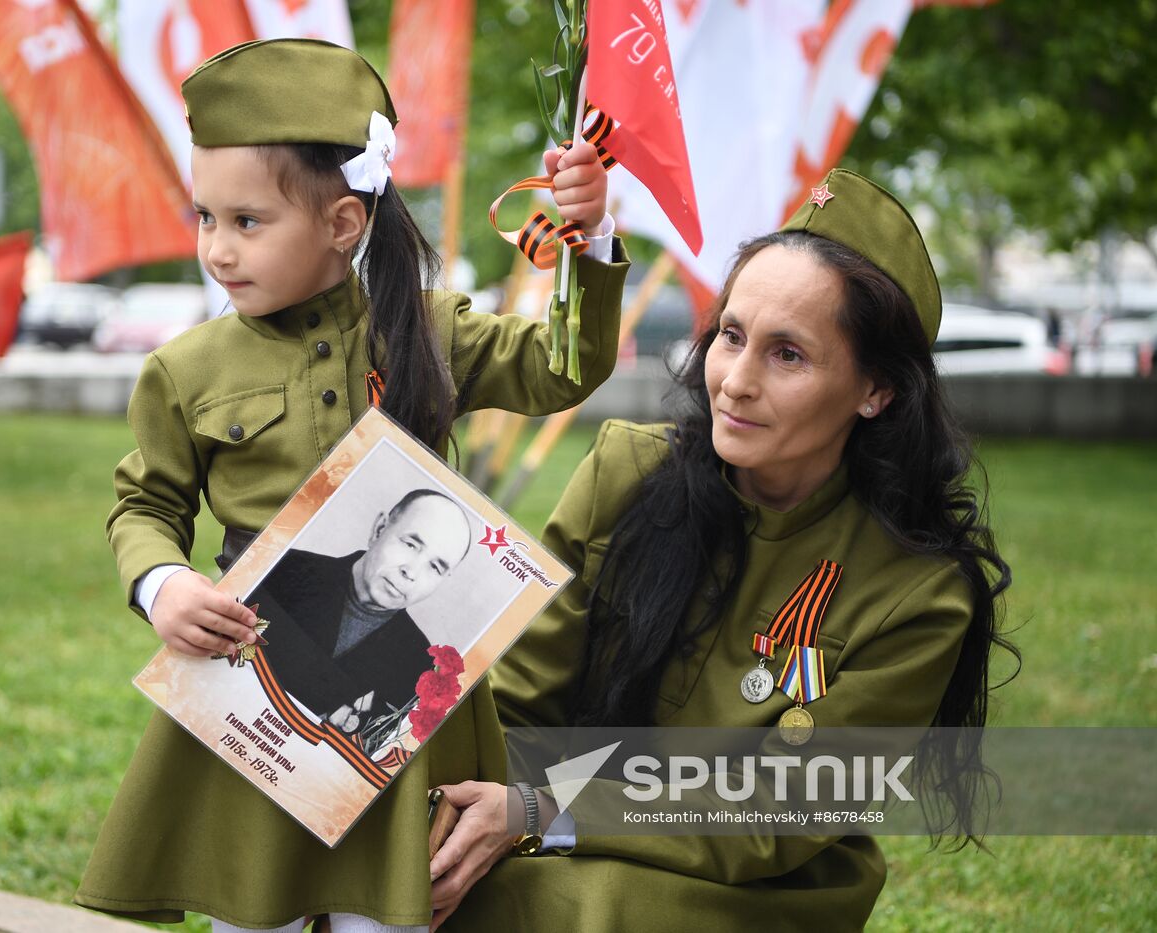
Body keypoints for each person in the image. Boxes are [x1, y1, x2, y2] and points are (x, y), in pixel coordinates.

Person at [74, 38, 629, 933]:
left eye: (247, 221)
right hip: (252, 683)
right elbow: (145, 504)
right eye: (205, 217)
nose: (218, 248)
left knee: (396, 911)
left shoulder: (429, 330)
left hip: (403, 698)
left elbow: (561, 370)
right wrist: (162, 583)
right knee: (255, 909)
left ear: (341, 223)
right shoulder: (185, 369)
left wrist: (591, 238)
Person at [426, 170, 1018, 932]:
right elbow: (521, 698)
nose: (734, 382)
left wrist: (542, 806)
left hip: (749, 890)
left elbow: (775, 814)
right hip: (556, 831)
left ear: (876, 390)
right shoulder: (627, 471)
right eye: (731, 336)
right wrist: (466, 817)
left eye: (788, 355)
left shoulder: (920, 594)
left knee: (562, 909)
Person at [251, 489, 473, 732]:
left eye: (435, 567)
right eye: (410, 544)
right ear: (379, 529)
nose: (412, 572)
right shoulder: (280, 569)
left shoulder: (419, 670)